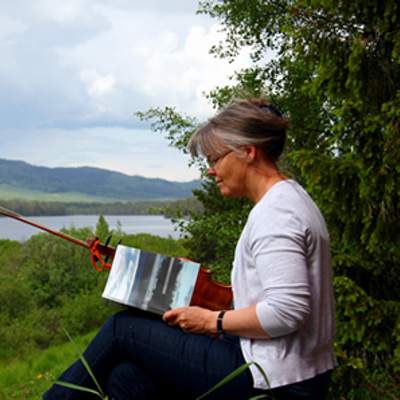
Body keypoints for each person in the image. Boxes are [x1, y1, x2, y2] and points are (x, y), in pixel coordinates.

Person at [43, 98, 337, 400]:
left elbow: (288, 311)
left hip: (277, 377)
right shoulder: (288, 200)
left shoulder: (277, 213)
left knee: (122, 330)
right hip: (282, 367)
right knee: (127, 379)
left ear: (248, 152)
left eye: (214, 159)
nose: (210, 171)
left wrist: (212, 320)